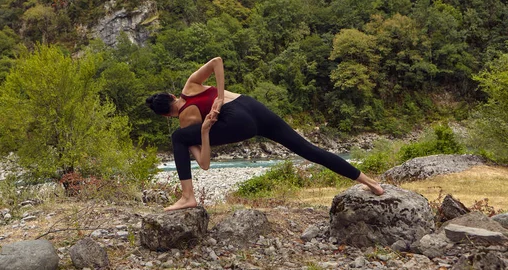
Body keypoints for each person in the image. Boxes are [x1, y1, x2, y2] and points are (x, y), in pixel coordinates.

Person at [146, 57, 384, 211]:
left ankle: (188, 196)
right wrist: (218, 97)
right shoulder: (190, 86)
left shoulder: (185, 126)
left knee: (178, 139)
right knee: (308, 149)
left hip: (238, 120)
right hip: (253, 106)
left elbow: (205, 164)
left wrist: (205, 131)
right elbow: (218, 61)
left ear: (165, 116)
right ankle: (371, 183)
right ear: (170, 95)